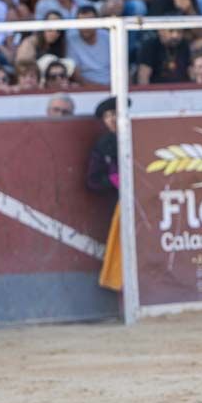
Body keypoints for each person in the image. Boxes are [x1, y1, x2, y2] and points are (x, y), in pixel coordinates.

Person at [88, 96, 122, 290]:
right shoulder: (103, 145)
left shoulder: (140, 134)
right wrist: (112, 180)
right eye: (108, 116)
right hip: (117, 203)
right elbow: (93, 181)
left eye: (115, 113)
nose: (112, 119)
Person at [66, 6, 111, 85]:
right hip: (85, 88)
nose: (85, 27)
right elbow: (76, 74)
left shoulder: (107, 36)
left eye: (89, 23)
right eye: (82, 23)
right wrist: (95, 88)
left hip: (113, 85)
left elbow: (120, 66)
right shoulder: (72, 40)